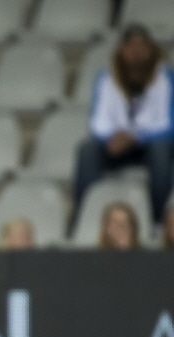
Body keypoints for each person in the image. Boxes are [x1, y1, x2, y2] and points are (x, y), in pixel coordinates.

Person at [75, 24, 174, 223]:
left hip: (151, 145)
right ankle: (85, 217)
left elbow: (168, 125)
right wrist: (112, 138)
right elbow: (97, 123)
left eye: (142, 47)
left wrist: (136, 137)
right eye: (131, 47)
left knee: (161, 150)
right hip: (115, 145)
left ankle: (158, 221)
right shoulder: (106, 78)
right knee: (87, 150)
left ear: (151, 50)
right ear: (121, 51)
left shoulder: (166, 78)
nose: (137, 53)